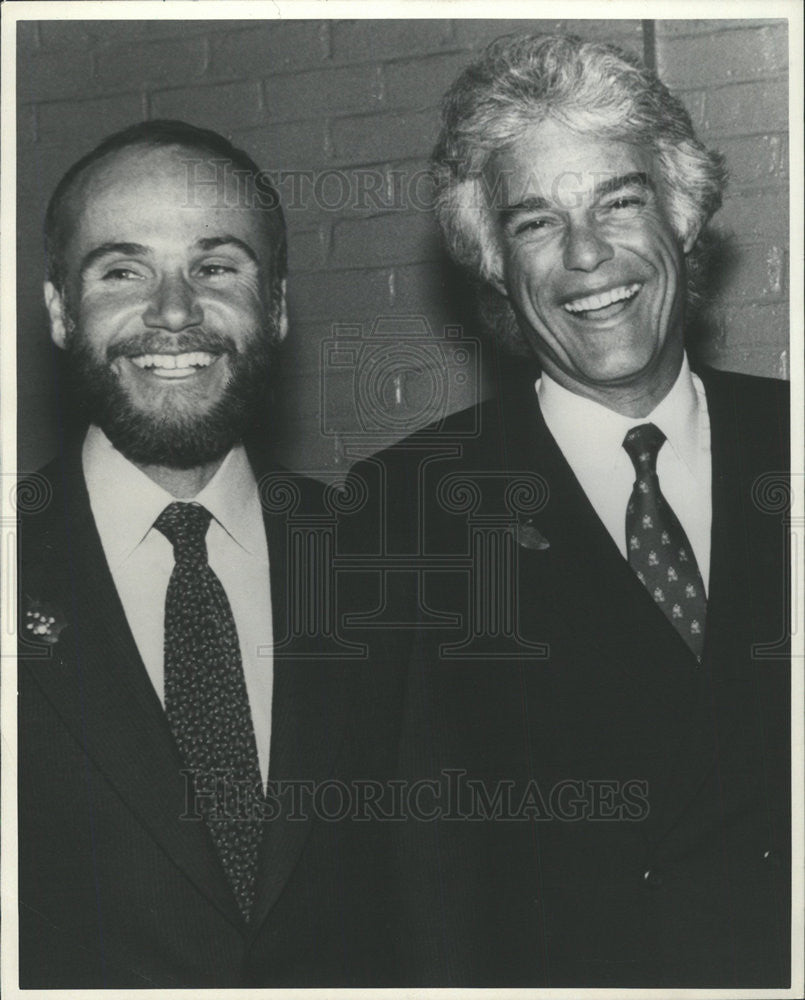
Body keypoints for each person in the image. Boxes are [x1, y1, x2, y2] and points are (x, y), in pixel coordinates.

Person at [352, 34, 791, 987]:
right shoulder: (407, 509)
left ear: (683, 219)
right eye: (536, 224)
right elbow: (414, 875)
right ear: (493, 270)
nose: (587, 257)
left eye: (618, 203)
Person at [17, 120, 404, 988]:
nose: (174, 311)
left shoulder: (383, 568)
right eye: (122, 271)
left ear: (274, 307)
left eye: (215, 267)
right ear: (57, 311)